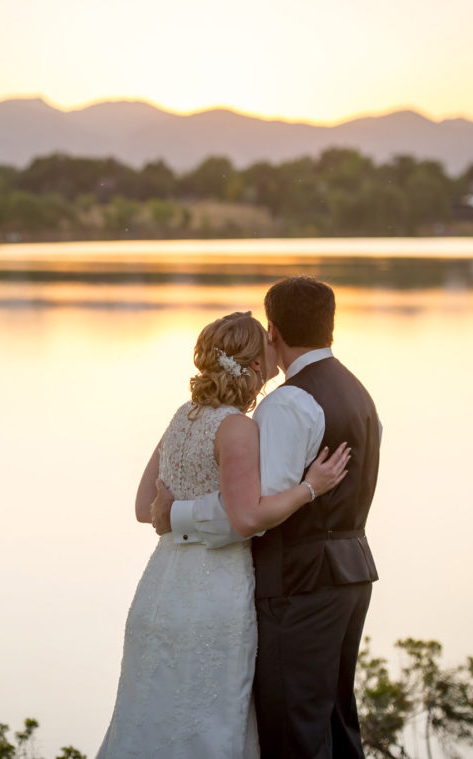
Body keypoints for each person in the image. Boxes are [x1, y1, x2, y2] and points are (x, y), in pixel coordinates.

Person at [95, 310, 351, 759]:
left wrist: (173, 512)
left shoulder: (183, 416)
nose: (274, 356)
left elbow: (143, 508)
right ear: (253, 365)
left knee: (150, 714)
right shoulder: (237, 427)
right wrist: (311, 487)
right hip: (214, 592)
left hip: (160, 590)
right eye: (266, 350)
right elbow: (247, 518)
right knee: (209, 718)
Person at [152, 276, 381, 758]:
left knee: (291, 728)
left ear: (273, 330)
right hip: (353, 573)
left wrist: (177, 515)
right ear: (330, 326)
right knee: (337, 724)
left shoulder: (287, 404)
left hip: (298, 583)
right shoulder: (361, 396)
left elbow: (254, 513)